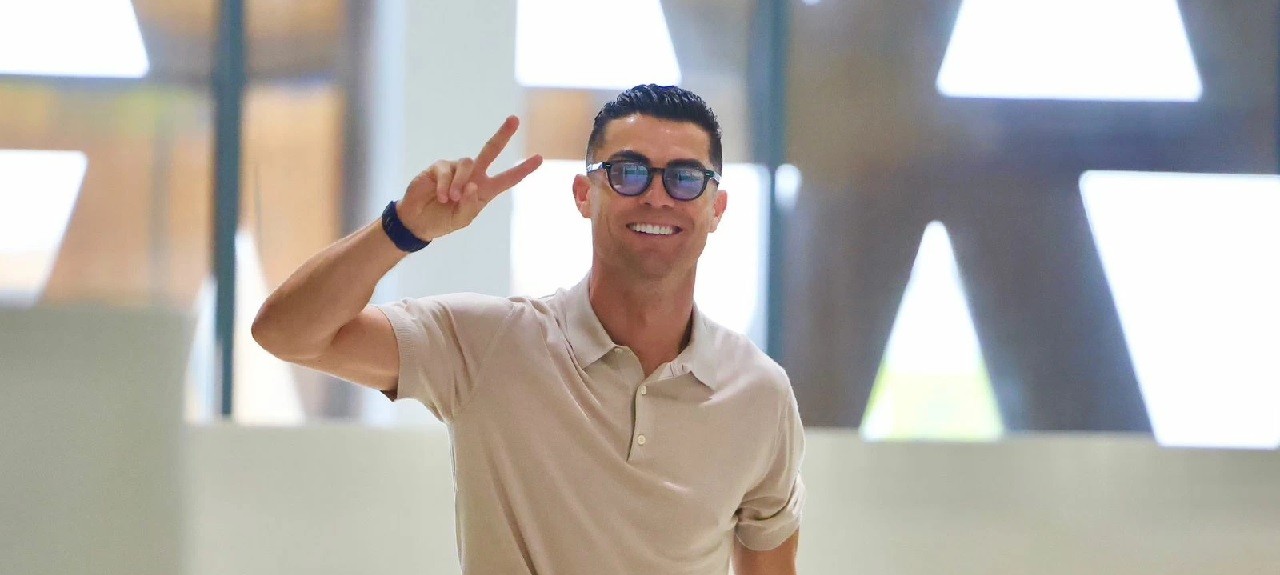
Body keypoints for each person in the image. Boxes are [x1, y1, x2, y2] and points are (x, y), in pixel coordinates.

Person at [252, 84, 805, 574]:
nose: (656, 196)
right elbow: (285, 333)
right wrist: (403, 229)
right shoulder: (485, 343)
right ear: (584, 194)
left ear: (717, 207)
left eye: (684, 178)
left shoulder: (760, 393)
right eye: (629, 171)